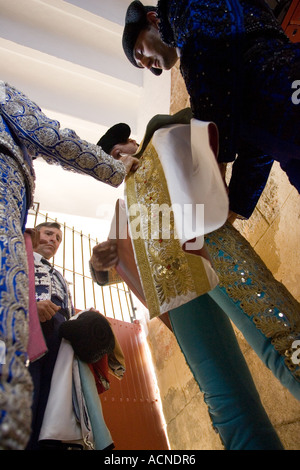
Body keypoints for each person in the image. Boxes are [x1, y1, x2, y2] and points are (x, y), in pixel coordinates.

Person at [90, 112, 300, 449]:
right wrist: (98, 264)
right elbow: (107, 275)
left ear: (132, 142)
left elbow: (210, 119)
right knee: (221, 390)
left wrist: (157, 129)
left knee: (276, 330)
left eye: (120, 150)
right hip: (176, 292)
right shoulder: (123, 211)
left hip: (207, 247)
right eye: (112, 160)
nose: (121, 158)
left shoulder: (162, 139)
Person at [0, 81, 139, 450]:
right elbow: (47, 134)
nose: (52, 241)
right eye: (46, 234)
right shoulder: (20, 254)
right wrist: (112, 168)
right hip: (34, 322)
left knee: (55, 402)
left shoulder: (59, 275)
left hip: (58, 331)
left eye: (58, 238)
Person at [122, 0, 300, 221]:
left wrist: (211, 164)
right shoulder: (215, 76)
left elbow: (207, 80)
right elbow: (256, 149)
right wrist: (234, 207)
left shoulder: (181, 5)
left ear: (152, 19)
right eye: (144, 67)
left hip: (288, 86)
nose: (148, 65)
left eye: (141, 53)